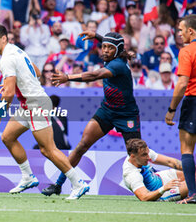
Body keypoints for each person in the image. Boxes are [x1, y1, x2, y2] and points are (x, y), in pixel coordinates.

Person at [0, 24, 89, 200]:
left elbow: (9, 93)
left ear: (4, 38)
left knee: (48, 150)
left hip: (36, 104)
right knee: (7, 137)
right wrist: (18, 81)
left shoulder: (6, 59)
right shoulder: (17, 50)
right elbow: (38, 72)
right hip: (28, 103)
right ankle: (27, 177)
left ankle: (78, 183)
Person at [42, 31, 141, 196]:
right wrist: (96, 36)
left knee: (136, 155)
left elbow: (95, 75)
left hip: (127, 115)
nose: (105, 51)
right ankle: (58, 185)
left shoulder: (118, 65)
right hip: (107, 111)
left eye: (110, 48)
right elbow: (111, 45)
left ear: (117, 50)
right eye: (103, 47)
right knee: (81, 146)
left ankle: (153, 187)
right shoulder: (115, 54)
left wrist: (68, 77)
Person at [165, 14, 196, 204]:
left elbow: (182, 82)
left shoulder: (186, 51)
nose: (179, 33)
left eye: (181, 30)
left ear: (190, 31)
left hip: (193, 102)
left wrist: (171, 109)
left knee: (187, 149)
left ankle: (192, 194)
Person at [123, 138, 188, 202]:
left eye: (148, 153)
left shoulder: (143, 151)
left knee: (192, 171)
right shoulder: (131, 175)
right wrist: (164, 188)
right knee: (192, 184)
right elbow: (144, 197)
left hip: (159, 177)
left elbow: (169, 162)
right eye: (144, 155)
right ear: (132, 156)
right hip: (159, 194)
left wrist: (191, 168)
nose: (148, 157)